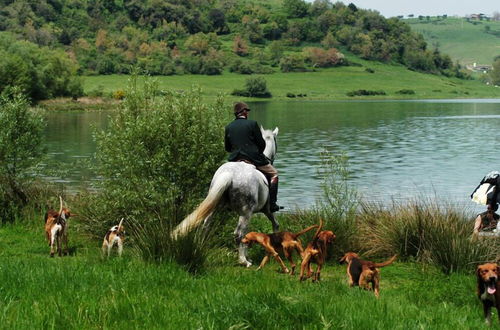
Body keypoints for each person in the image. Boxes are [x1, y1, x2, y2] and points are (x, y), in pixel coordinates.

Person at [224, 102, 281, 212]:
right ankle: (272, 204)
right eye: (247, 111)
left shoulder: (229, 127)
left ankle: (226, 202)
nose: (248, 113)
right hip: (252, 158)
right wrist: (257, 153)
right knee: (274, 174)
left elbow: (227, 148)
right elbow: (261, 144)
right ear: (244, 112)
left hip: (235, 159)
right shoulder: (252, 124)